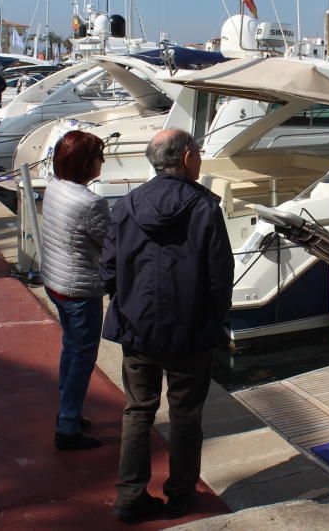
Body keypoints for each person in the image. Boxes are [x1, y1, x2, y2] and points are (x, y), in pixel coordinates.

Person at [101, 129, 234, 523]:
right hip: (189, 330)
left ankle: (130, 494)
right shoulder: (204, 207)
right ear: (187, 156)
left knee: (138, 410)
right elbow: (219, 276)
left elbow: (108, 267)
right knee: (185, 414)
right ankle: (180, 491)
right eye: (198, 152)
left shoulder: (127, 204)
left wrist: (125, 305)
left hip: (137, 327)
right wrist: (213, 319)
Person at [39, 131, 109, 451]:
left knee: (70, 349)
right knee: (83, 356)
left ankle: (68, 410)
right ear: (85, 164)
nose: (103, 162)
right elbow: (110, 243)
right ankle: (67, 425)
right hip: (80, 288)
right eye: (99, 156)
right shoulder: (92, 203)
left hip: (55, 282)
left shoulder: (55, 188)